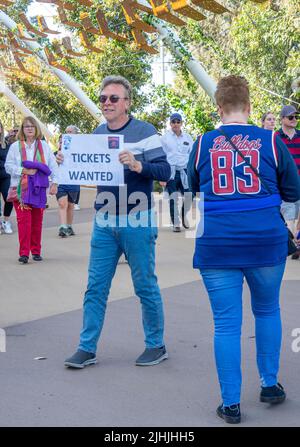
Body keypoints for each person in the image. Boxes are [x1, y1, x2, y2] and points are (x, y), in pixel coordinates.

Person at [188, 75, 300, 424]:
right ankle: (269, 383)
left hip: (217, 243)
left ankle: (231, 402)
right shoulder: (270, 140)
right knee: (267, 310)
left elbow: (191, 190)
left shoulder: (202, 143)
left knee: (225, 325)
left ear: (218, 108)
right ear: (249, 107)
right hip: (265, 241)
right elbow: (293, 192)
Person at [63, 75, 171, 369]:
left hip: (137, 218)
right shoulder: (97, 134)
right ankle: (86, 348)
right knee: (95, 287)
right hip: (104, 220)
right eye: (102, 98)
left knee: (144, 285)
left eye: (113, 98)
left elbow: (165, 171)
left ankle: (155, 344)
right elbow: (89, 173)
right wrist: (68, 164)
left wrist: (138, 165)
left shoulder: (145, 131)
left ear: (127, 102)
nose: (107, 103)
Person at [5, 116, 58, 264]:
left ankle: (35, 251)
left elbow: (53, 166)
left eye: (32, 126)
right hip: (20, 190)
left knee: (37, 221)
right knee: (24, 221)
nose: (29, 128)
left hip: (38, 190)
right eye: (26, 126)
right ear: (22, 129)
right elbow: (8, 166)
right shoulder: (15, 146)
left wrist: (55, 183)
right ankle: (23, 253)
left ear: (36, 129)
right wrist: (24, 171)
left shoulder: (44, 146)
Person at [160, 113, 193, 232]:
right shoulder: (164, 138)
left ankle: (183, 215)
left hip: (185, 171)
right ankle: (176, 223)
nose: (175, 124)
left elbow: (192, 155)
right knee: (173, 198)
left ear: (181, 123)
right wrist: (161, 176)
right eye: (173, 122)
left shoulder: (188, 138)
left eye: (178, 121)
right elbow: (160, 157)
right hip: (171, 172)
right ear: (170, 123)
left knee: (189, 196)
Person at [276, 105, 300, 259]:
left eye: (296, 117)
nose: (294, 120)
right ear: (282, 119)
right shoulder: (275, 138)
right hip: (285, 185)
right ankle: (290, 246)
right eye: (291, 117)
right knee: (289, 217)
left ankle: (297, 244)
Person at [55, 127, 81, 237]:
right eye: (66, 132)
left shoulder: (80, 151)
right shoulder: (56, 153)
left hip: (73, 181)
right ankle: (63, 227)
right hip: (60, 182)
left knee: (70, 205)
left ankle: (69, 226)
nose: (68, 134)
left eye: (70, 132)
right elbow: (51, 167)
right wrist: (56, 160)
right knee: (62, 204)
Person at [0, 120, 13, 234]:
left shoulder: (6, 145)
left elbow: (9, 161)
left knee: (9, 198)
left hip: (5, 176)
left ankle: (6, 221)